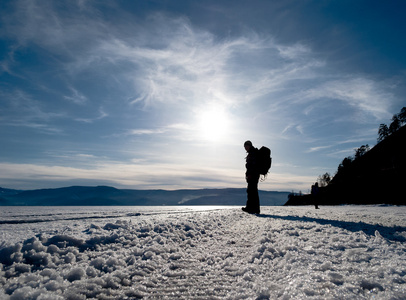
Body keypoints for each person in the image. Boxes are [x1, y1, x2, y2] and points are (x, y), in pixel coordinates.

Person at [242, 140, 260, 214]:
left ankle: (251, 208)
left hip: (253, 175)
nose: (245, 148)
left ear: (249, 145)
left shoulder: (252, 153)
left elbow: (252, 165)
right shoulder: (252, 152)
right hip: (254, 174)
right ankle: (253, 208)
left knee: (251, 191)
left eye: (246, 146)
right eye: (244, 147)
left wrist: (250, 174)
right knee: (252, 191)